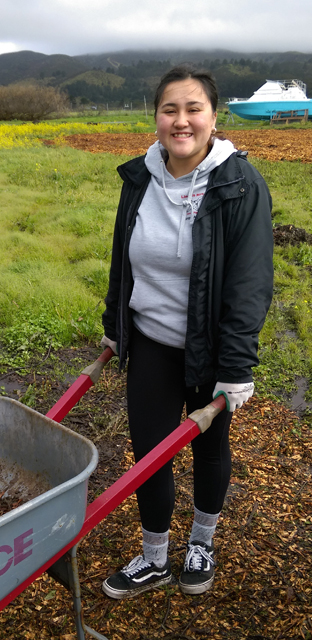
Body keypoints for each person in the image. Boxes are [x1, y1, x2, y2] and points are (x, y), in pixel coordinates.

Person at [100, 64, 274, 599]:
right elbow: (121, 261)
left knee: (209, 448)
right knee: (150, 451)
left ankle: (202, 543)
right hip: (152, 341)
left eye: (193, 108)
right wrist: (115, 325)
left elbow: (249, 283)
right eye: (170, 109)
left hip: (211, 348)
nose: (181, 121)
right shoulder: (139, 179)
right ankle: (154, 557)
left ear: (213, 117)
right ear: (155, 117)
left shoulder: (238, 185)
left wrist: (237, 366)